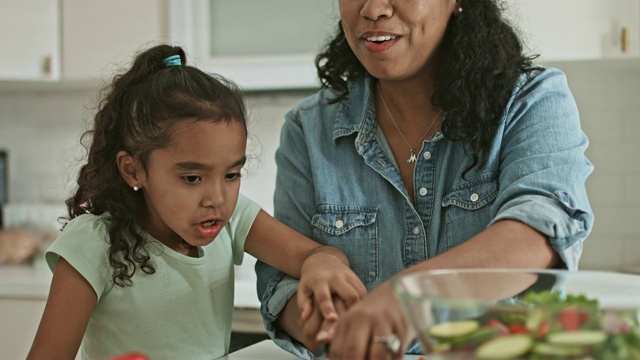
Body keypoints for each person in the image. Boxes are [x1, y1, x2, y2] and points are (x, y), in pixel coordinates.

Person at [255, 0, 594, 359]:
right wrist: (328, 328)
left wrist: (413, 294)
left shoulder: (531, 101)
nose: (373, 9)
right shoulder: (307, 129)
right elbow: (284, 282)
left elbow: (538, 232)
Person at [26, 44, 366, 360]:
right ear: (133, 170)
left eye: (231, 175)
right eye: (192, 178)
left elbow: (313, 254)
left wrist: (321, 265)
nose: (217, 198)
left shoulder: (232, 218)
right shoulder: (93, 244)